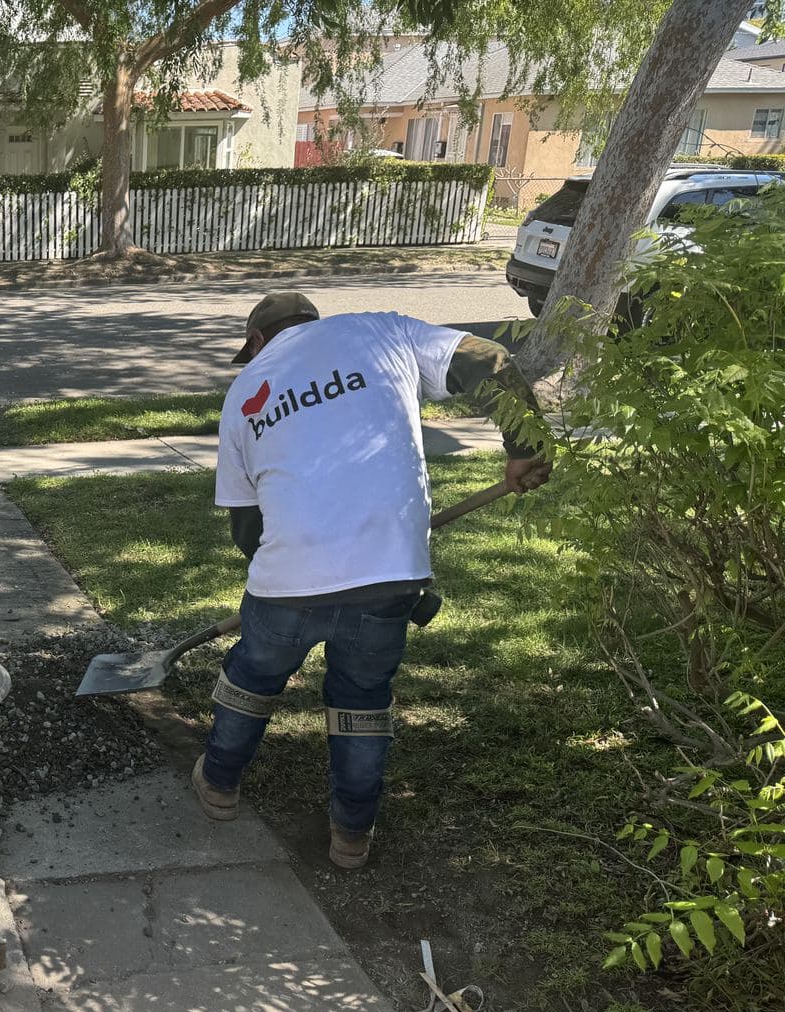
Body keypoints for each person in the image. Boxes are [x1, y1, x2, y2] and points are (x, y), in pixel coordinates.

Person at [193, 292, 549, 869]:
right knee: (361, 700)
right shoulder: (382, 333)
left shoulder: (246, 392)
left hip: (286, 583)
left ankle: (218, 784)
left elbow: (247, 525)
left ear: (257, 341)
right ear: (312, 323)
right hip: (389, 580)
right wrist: (525, 448)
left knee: (251, 679)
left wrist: (291, 572)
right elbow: (489, 360)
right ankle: (351, 836)